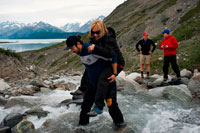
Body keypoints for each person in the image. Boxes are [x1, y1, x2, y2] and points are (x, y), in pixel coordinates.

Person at [65, 35, 125, 128]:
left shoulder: (91, 49)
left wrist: (114, 73)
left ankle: (121, 125)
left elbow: (113, 56)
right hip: (92, 84)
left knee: (111, 105)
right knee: (85, 106)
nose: (71, 50)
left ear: (78, 44)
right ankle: (82, 127)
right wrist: (83, 87)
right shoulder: (80, 52)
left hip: (106, 82)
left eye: (72, 48)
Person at [70, 27, 125, 96]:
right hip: (106, 61)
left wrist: (115, 73)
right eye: (93, 33)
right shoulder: (95, 39)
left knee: (104, 79)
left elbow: (111, 54)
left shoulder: (109, 40)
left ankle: (102, 99)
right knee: (88, 71)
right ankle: (83, 90)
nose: (95, 35)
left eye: (97, 33)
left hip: (117, 63)